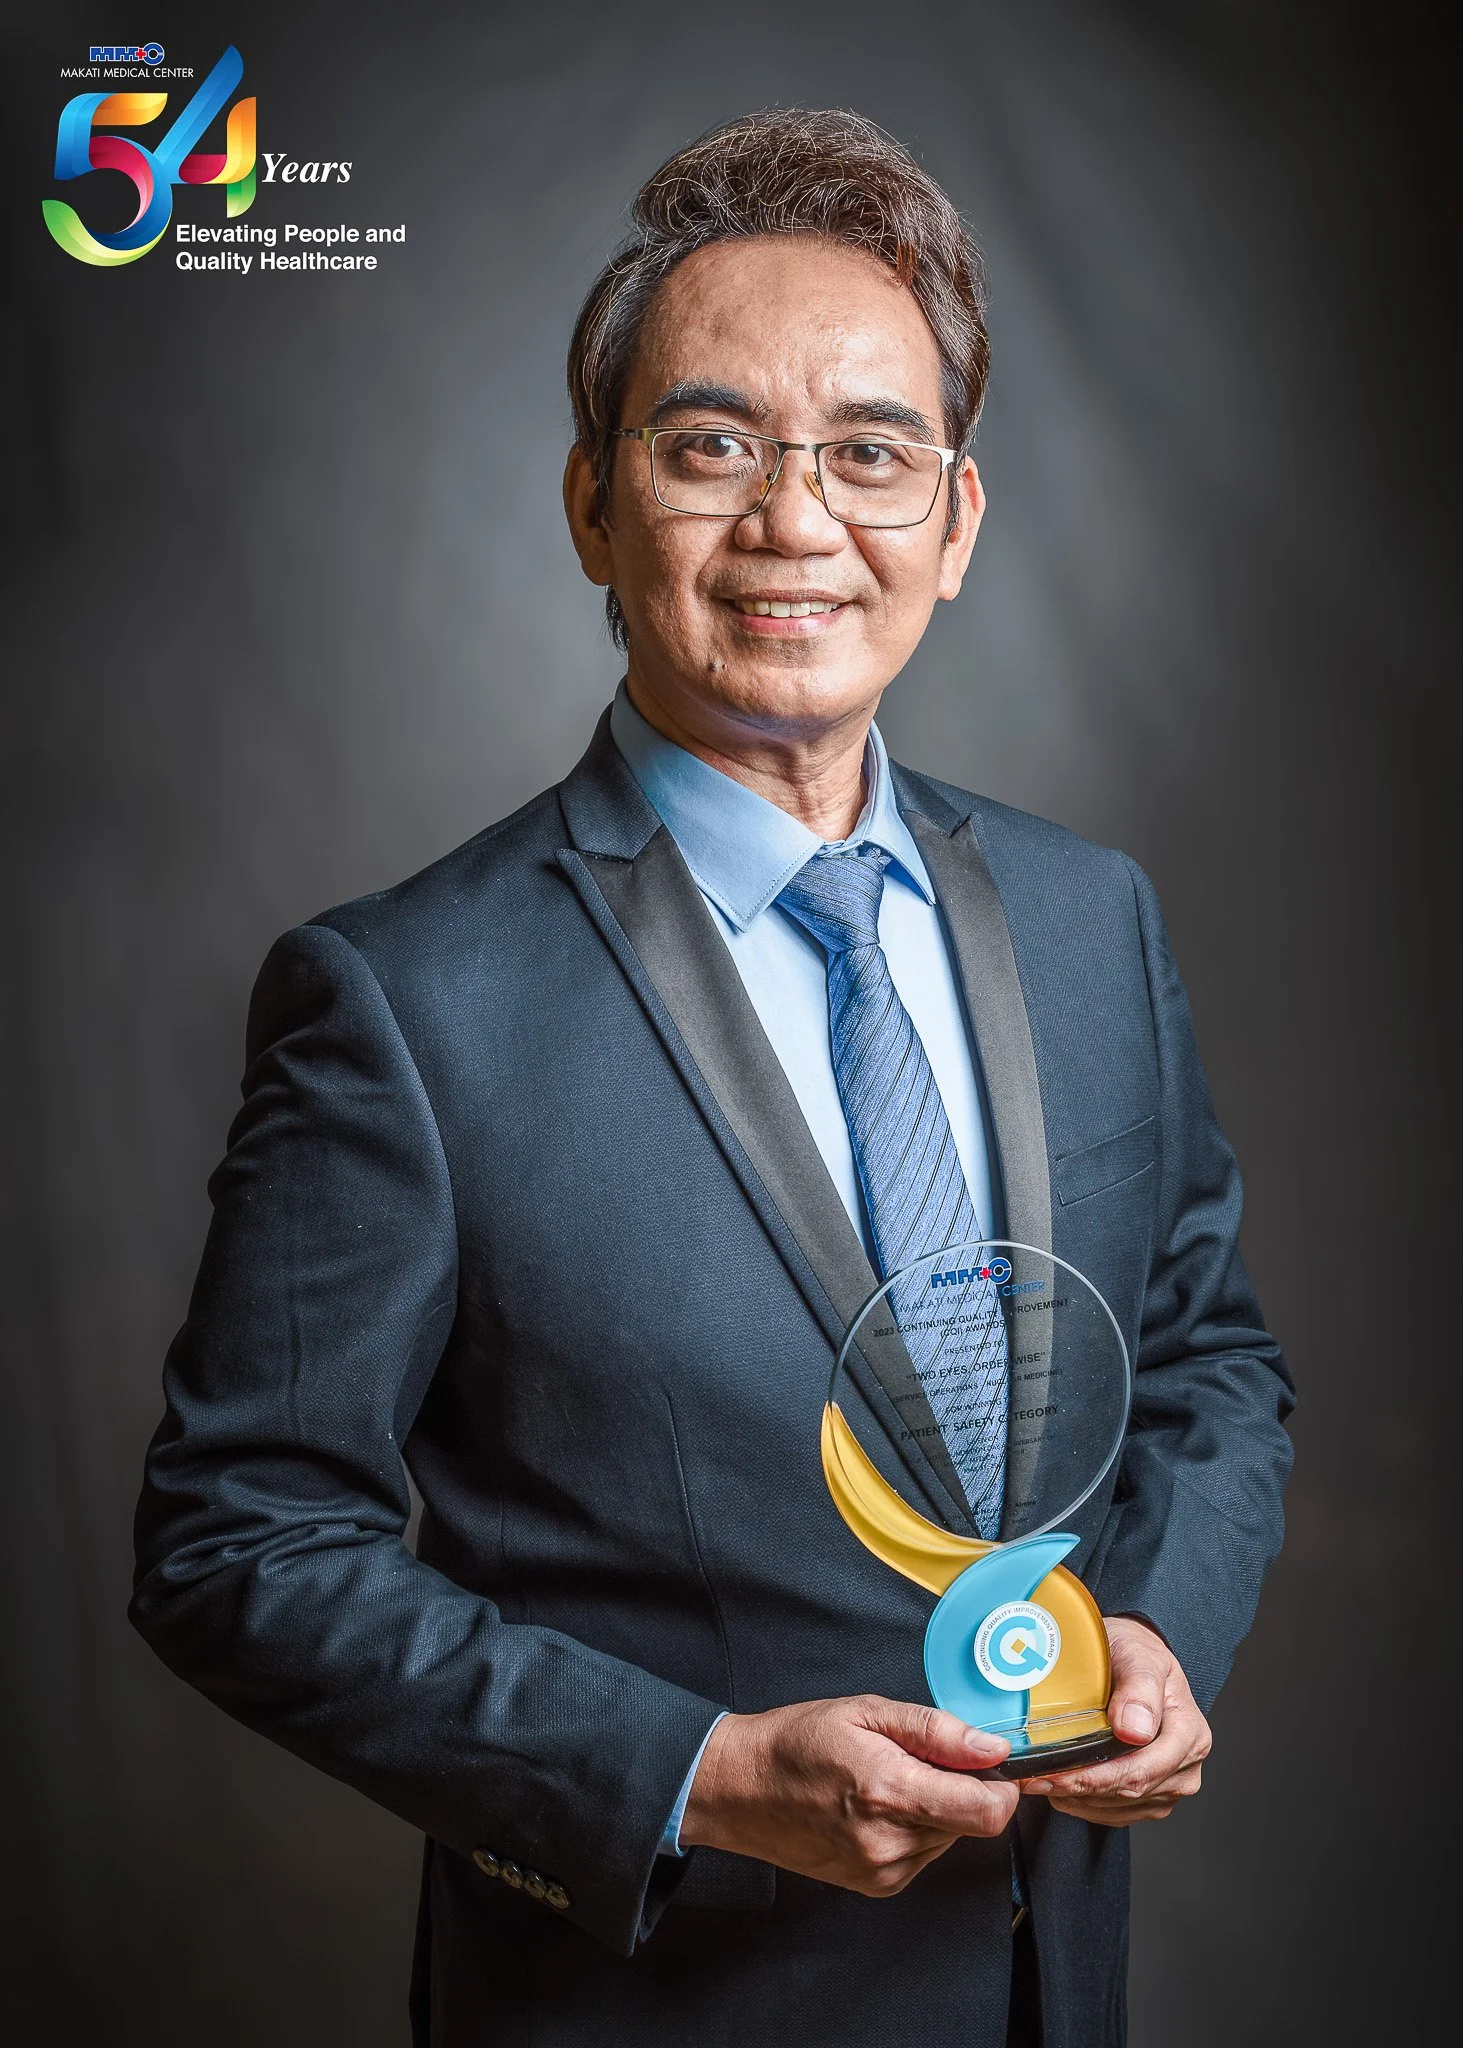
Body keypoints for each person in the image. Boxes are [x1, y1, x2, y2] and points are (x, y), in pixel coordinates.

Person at [131, 108, 1294, 2047]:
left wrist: (1158, 1627)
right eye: (709, 444)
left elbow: (1203, 1358)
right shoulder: (401, 1000)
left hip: (1046, 1991)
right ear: (590, 502)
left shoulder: (1095, 922)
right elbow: (237, 1540)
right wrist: (695, 1770)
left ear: (955, 518)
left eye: (868, 451)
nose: (793, 518)